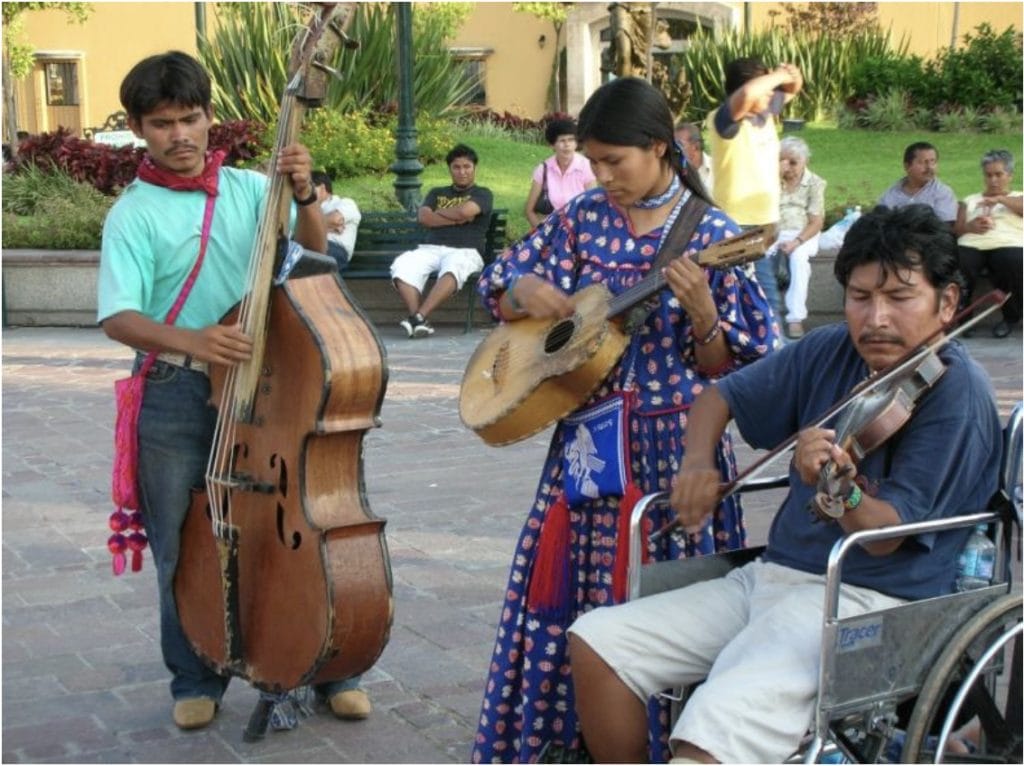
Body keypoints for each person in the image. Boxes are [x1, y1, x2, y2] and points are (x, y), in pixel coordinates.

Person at [567, 204, 1002, 764]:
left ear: (946, 303)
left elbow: (886, 535)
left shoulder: (956, 393)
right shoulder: (831, 350)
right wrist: (697, 463)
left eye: (899, 298)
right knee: (600, 641)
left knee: (713, 726)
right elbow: (717, 396)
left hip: (867, 599)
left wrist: (837, 489)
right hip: (774, 577)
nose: (875, 319)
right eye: (861, 296)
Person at [471, 76, 778, 764]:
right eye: (595, 161)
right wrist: (523, 291)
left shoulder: (717, 237)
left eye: (616, 162)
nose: (601, 175)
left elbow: (739, 370)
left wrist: (704, 315)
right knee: (562, 597)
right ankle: (563, 741)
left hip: (674, 453)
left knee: (665, 601)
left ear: (662, 149)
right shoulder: (582, 218)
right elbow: (499, 277)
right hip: (584, 447)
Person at [97, 51, 369, 731]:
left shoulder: (254, 189)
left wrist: (305, 195)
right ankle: (195, 675)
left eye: (191, 118)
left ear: (210, 116)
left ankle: (332, 660)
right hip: (177, 389)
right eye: (162, 124)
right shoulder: (134, 214)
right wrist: (194, 342)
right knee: (184, 538)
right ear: (138, 127)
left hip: (268, 390)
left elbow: (311, 257)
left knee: (306, 518)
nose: (180, 135)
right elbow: (117, 317)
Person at [705, 56, 803, 336]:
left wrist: (789, 74)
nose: (771, 94)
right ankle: (780, 368)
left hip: (765, 227)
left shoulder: (764, 117)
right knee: (768, 307)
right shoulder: (724, 122)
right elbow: (748, 94)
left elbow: (793, 87)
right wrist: (778, 75)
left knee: (752, 305)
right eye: (766, 88)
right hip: (737, 228)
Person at [389, 144, 493, 338]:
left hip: (466, 250)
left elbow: (465, 211)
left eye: (467, 166)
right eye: (457, 167)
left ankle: (418, 317)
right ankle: (418, 319)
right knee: (403, 264)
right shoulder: (437, 193)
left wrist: (440, 216)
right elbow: (424, 218)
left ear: (474, 168)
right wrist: (456, 217)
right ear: (450, 169)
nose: (462, 172)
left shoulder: (483, 194)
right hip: (430, 249)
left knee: (455, 266)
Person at [954, 148, 1022, 339]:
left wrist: (999, 199)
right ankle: (964, 319)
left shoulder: (1018, 196)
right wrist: (970, 226)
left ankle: (1011, 317)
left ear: (1009, 175)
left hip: (1009, 244)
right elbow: (957, 229)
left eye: (998, 175)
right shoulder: (970, 200)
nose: (993, 180)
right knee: (960, 262)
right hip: (973, 243)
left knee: (1013, 261)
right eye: (988, 175)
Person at [770, 135, 826, 339]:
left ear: (805, 161)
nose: (788, 167)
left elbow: (816, 221)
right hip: (773, 232)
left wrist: (796, 242)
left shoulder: (815, 183)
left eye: (793, 162)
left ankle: (795, 318)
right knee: (757, 257)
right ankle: (765, 315)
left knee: (799, 259)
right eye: (782, 161)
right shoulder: (771, 180)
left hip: (804, 234)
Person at [524, 117, 597, 230]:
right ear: (552, 145)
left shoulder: (586, 167)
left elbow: (593, 207)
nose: (567, 145)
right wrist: (544, 233)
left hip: (579, 231)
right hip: (550, 231)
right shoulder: (543, 169)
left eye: (571, 140)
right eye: (562, 141)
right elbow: (529, 210)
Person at [878, 142, 958, 224]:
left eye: (933, 161)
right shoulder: (891, 194)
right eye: (923, 162)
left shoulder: (943, 193)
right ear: (907, 166)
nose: (929, 167)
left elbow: (946, 227)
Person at [312, 170, 361, 272]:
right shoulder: (308, 209)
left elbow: (334, 220)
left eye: (309, 188)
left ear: (322, 188)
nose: (305, 193)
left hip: (335, 249)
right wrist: (326, 225)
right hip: (311, 246)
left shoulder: (346, 203)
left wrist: (312, 227)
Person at [673, 121, 712, 192]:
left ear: (695, 146)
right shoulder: (672, 174)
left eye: (679, 144)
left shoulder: (718, 169)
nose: (674, 150)